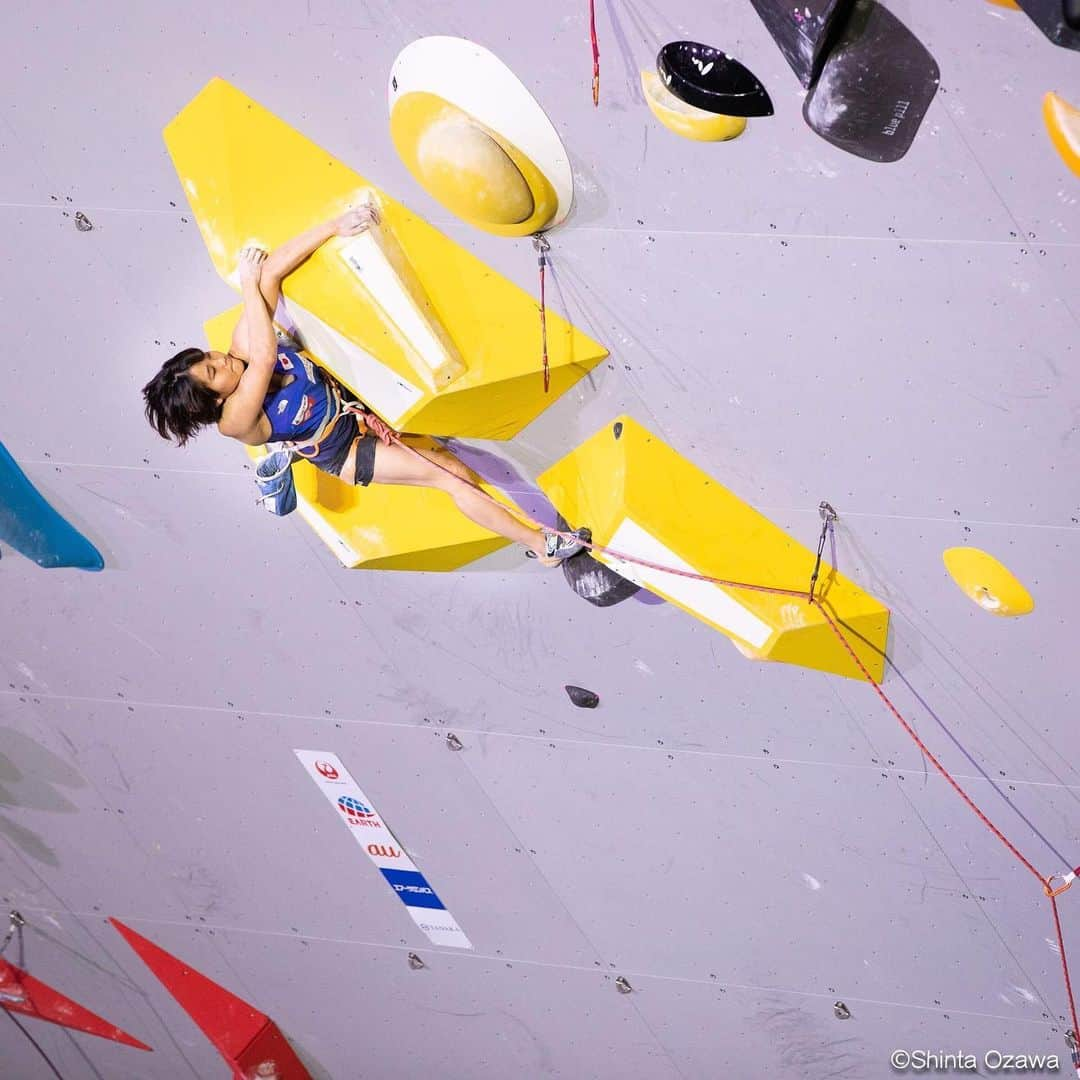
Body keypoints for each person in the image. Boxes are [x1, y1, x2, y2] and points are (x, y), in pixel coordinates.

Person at [142, 208, 585, 565]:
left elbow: (271, 276)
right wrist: (246, 286)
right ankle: (541, 545)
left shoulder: (239, 349)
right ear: (216, 399)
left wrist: (333, 226)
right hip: (346, 450)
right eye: (213, 372)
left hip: (353, 405)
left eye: (208, 357)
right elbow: (262, 353)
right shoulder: (235, 419)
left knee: (450, 459)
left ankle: (532, 534)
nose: (220, 359)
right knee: (450, 475)